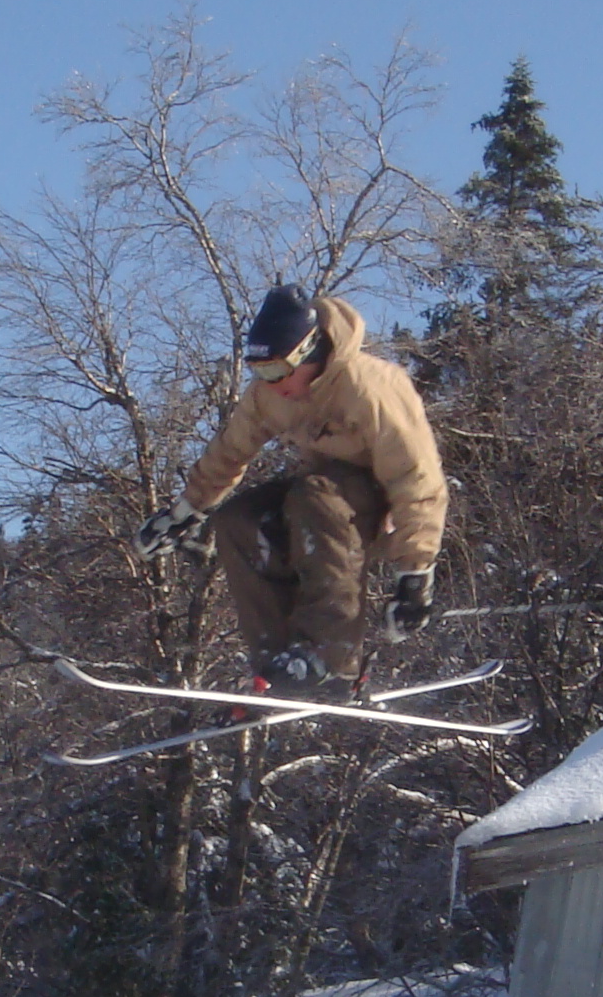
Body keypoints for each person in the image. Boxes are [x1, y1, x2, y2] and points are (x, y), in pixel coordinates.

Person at [135, 283, 448, 697]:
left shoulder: (369, 387)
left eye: (278, 370)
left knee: (316, 497)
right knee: (241, 519)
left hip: (377, 502)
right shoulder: (270, 396)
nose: (272, 382)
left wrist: (416, 572)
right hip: (320, 496)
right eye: (261, 373)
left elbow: (417, 476)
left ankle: (331, 658)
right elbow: (230, 450)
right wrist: (186, 512)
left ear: (308, 352)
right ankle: (277, 662)